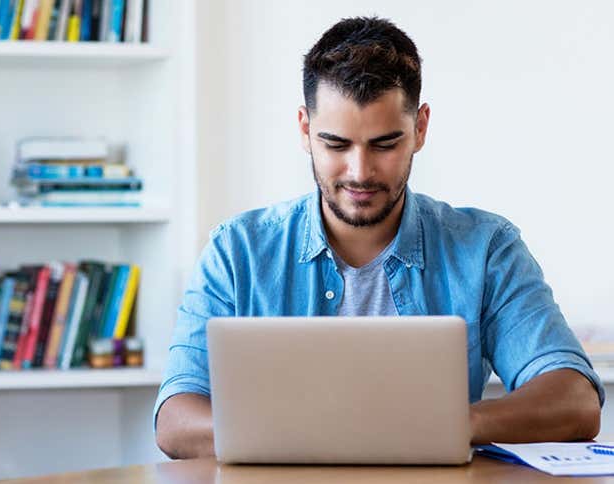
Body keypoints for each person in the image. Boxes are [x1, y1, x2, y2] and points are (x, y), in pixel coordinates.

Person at [155, 16, 604, 459]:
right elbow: (175, 420)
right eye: (336, 144)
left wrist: (446, 425)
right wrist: (308, 433)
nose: (360, 172)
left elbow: (575, 400)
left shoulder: (486, 248)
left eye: (385, 145)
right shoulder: (237, 252)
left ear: (420, 128)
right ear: (304, 129)